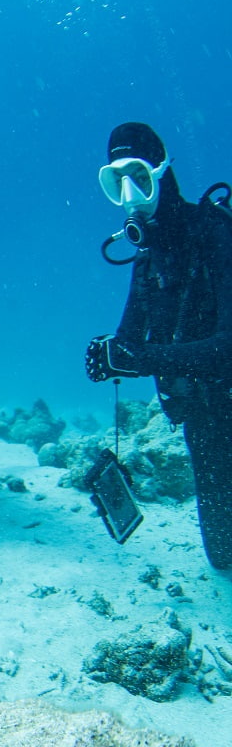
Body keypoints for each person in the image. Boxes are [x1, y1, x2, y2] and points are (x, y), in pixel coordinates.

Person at [85, 121, 232, 569]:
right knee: (223, 554)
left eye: (139, 176)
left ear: (163, 171)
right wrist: (107, 357)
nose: (130, 194)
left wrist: (139, 360)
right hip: (202, 415)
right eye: (116, 182)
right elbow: (129, 341)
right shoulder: (147, 256)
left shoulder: (216, 233)